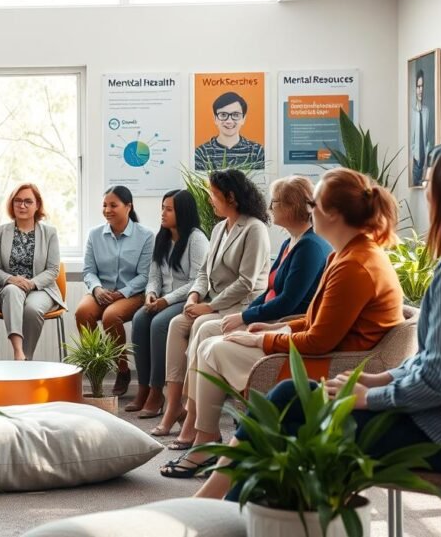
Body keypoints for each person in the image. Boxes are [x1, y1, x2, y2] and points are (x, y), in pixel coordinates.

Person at [197, 137, 441, 498]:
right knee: (287, 398)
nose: (427, 194)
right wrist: (377, 381)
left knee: (284, 411)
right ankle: (216, 508)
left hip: (439, 436)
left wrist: (367, 399)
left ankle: (212, 510)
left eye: (430, 184)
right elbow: (437, 364)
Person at [168, 168, 403, 478]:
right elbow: (318, 318)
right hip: (323, 352)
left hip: (330, 365)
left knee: (213, 349)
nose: (310, 210)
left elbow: (320, 340)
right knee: (213, 343)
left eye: (314, 204)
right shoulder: (345, 255)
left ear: (332, 214)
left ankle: (206, 440)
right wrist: (275, 328)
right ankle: (207, 438)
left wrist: (260, 340)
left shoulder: (355, 265)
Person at [163, 177, 331, 469]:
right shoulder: (292, 242)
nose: (271, 207)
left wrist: (243, 316)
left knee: (208, 336)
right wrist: (241, 315)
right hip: (269, 319)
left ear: (292, 207)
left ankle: (200, 428)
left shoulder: (310, 247)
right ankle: (199, 424)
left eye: (276, 202)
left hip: (283, 323)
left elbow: (288, 302)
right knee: (203, 332)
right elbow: (268, 291)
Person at [152, 169, 270, 439]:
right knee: (176, 323)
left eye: (214, 195)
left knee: (201, 326)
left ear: (231, 197)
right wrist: (195, 296)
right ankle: (173, 407)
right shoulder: (219, 228)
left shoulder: (255, 229)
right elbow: (203, 273)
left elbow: (246, 282)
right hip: (215, 303)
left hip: (241, 306)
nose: (210, 201)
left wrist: (210, 307)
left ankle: (194, 415)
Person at [126, 189, 209, 417]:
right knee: (140, 318)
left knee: (159, 323)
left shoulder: (196, 239)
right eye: (162, 207)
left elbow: (197, 281)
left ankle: (156, 391)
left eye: (168, 209)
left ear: (182, 212)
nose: (163, 213)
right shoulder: (161, 237)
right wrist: (151, 294)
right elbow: (154, 276)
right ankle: (143, 387)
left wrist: (166, 300)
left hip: (186, 298)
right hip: (162, 298)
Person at [77, 186, 155, 397]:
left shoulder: (146, 236)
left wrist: (122, 292)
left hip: (131, 294)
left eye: (113, 205)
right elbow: (88, 271)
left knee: (111, 316)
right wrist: (97, 289)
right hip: (101, 292)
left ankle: (122, 369)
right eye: (104, 205)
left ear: (128, 207)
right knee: (82, 312)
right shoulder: (94, 235)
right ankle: (97, 368)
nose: (107, 210)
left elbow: (145, 275)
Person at [0, 183, 66, 361]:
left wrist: (31, 283)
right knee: (13, 290)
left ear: (37, 205)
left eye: (27, 201)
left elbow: (53, 270)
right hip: (8, 290)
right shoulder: (0, 232)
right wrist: (11, 279)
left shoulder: (50, 233)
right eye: (18, 201)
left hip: (41, 289)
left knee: (32, 309)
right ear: (12, 204)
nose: (22, 205)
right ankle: (18, 352)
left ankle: (26, 359)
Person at [194, 92, 265, 171]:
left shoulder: (257, 151)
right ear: (215, 119)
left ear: (243, 119)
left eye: (236, 115)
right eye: (223, 115)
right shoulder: (201, 153)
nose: (229, 121)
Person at [410, 68, 433, 186]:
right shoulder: (411, 112)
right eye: (418, 87)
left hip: (425, 163)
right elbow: (411, 140)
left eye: (422, 86)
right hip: (415, 162)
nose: (420, 90)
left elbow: (427, 137)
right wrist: (415, 156)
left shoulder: (426, 111)